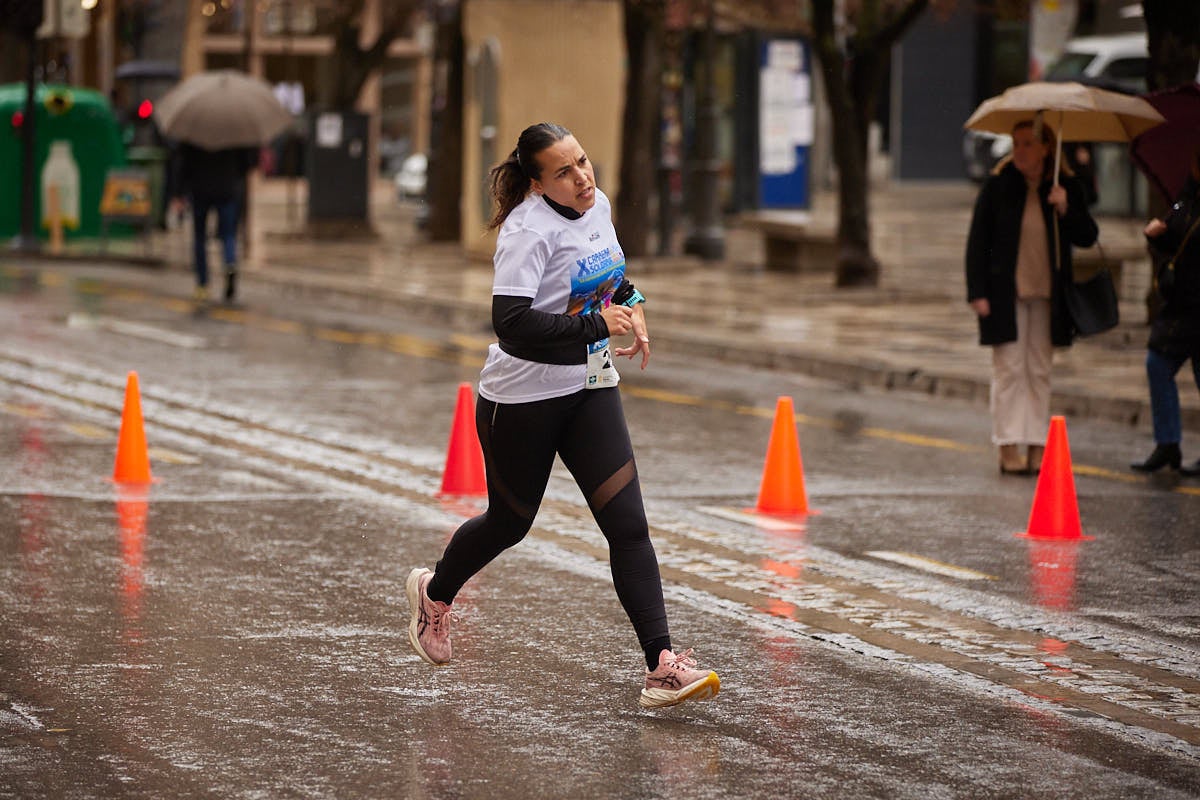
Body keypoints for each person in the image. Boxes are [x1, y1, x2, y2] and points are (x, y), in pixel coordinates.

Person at [405, 122, 720, 709]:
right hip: (521, 399)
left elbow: (611, 280)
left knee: (628, 526)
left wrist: (633, 307)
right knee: (509, 524)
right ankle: (436, 593)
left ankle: (661, 665)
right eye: (563, 172)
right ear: (537, 183)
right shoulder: (527, 232)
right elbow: (511, 324)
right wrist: (597, 324)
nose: (581, 178)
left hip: (589, 388)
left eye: (582, 162)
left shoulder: (598, 207)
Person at [965, 118, 1099, 475]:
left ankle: (1037, 443)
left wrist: (1066, 207)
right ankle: (1008, 444)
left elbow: (1088, 236)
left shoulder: (1063, 186)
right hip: (1004, 294)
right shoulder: (998, 186)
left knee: (1039, 370)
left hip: (1048, 295)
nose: (1020, 151)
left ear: (1045, 148)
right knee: (1009, 369)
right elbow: (978, 242)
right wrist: (977, 292)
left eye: (1027, 144)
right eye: (1016, 143)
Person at [1130, 147, 1200, 476]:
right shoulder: (1186, 197)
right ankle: (1167, 442)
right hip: (1181, 307)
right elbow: (1176, 240)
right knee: (1157, 363)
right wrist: (1157, 236)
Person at [170, 142, 257, 304]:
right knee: (228, 234)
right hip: (227, 188)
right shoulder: (235, 133)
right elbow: (246, 163)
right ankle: (229, 263)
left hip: (200, 189)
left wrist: (178, 192)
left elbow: (183, 163)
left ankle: (202, 284)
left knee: (200, 237)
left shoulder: (195, 133)